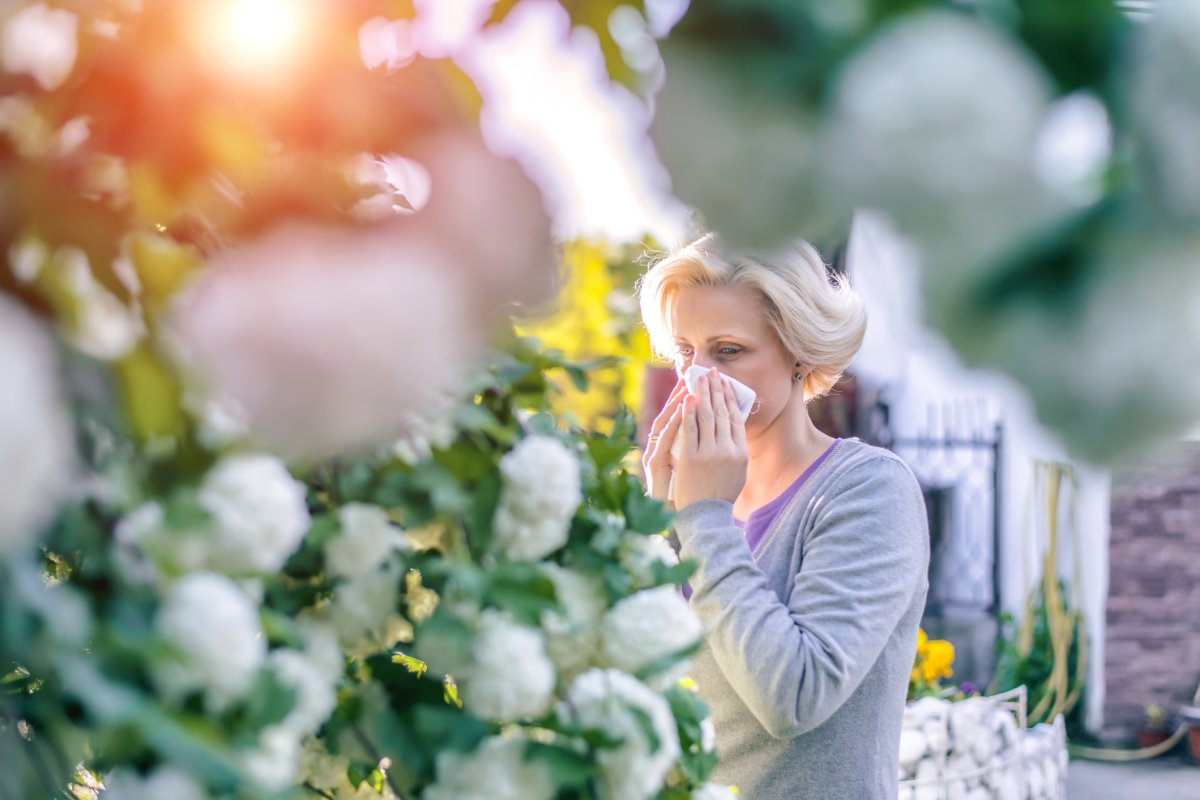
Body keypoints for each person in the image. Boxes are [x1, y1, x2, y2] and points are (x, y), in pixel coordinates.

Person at [638, 233, 930, 800]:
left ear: (798, 353)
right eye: (683, 353)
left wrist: (702, 519)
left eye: (727, 351)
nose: (697, 379)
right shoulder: (689, 505)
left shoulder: (868, 491)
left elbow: (793, 698)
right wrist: (657, 526)